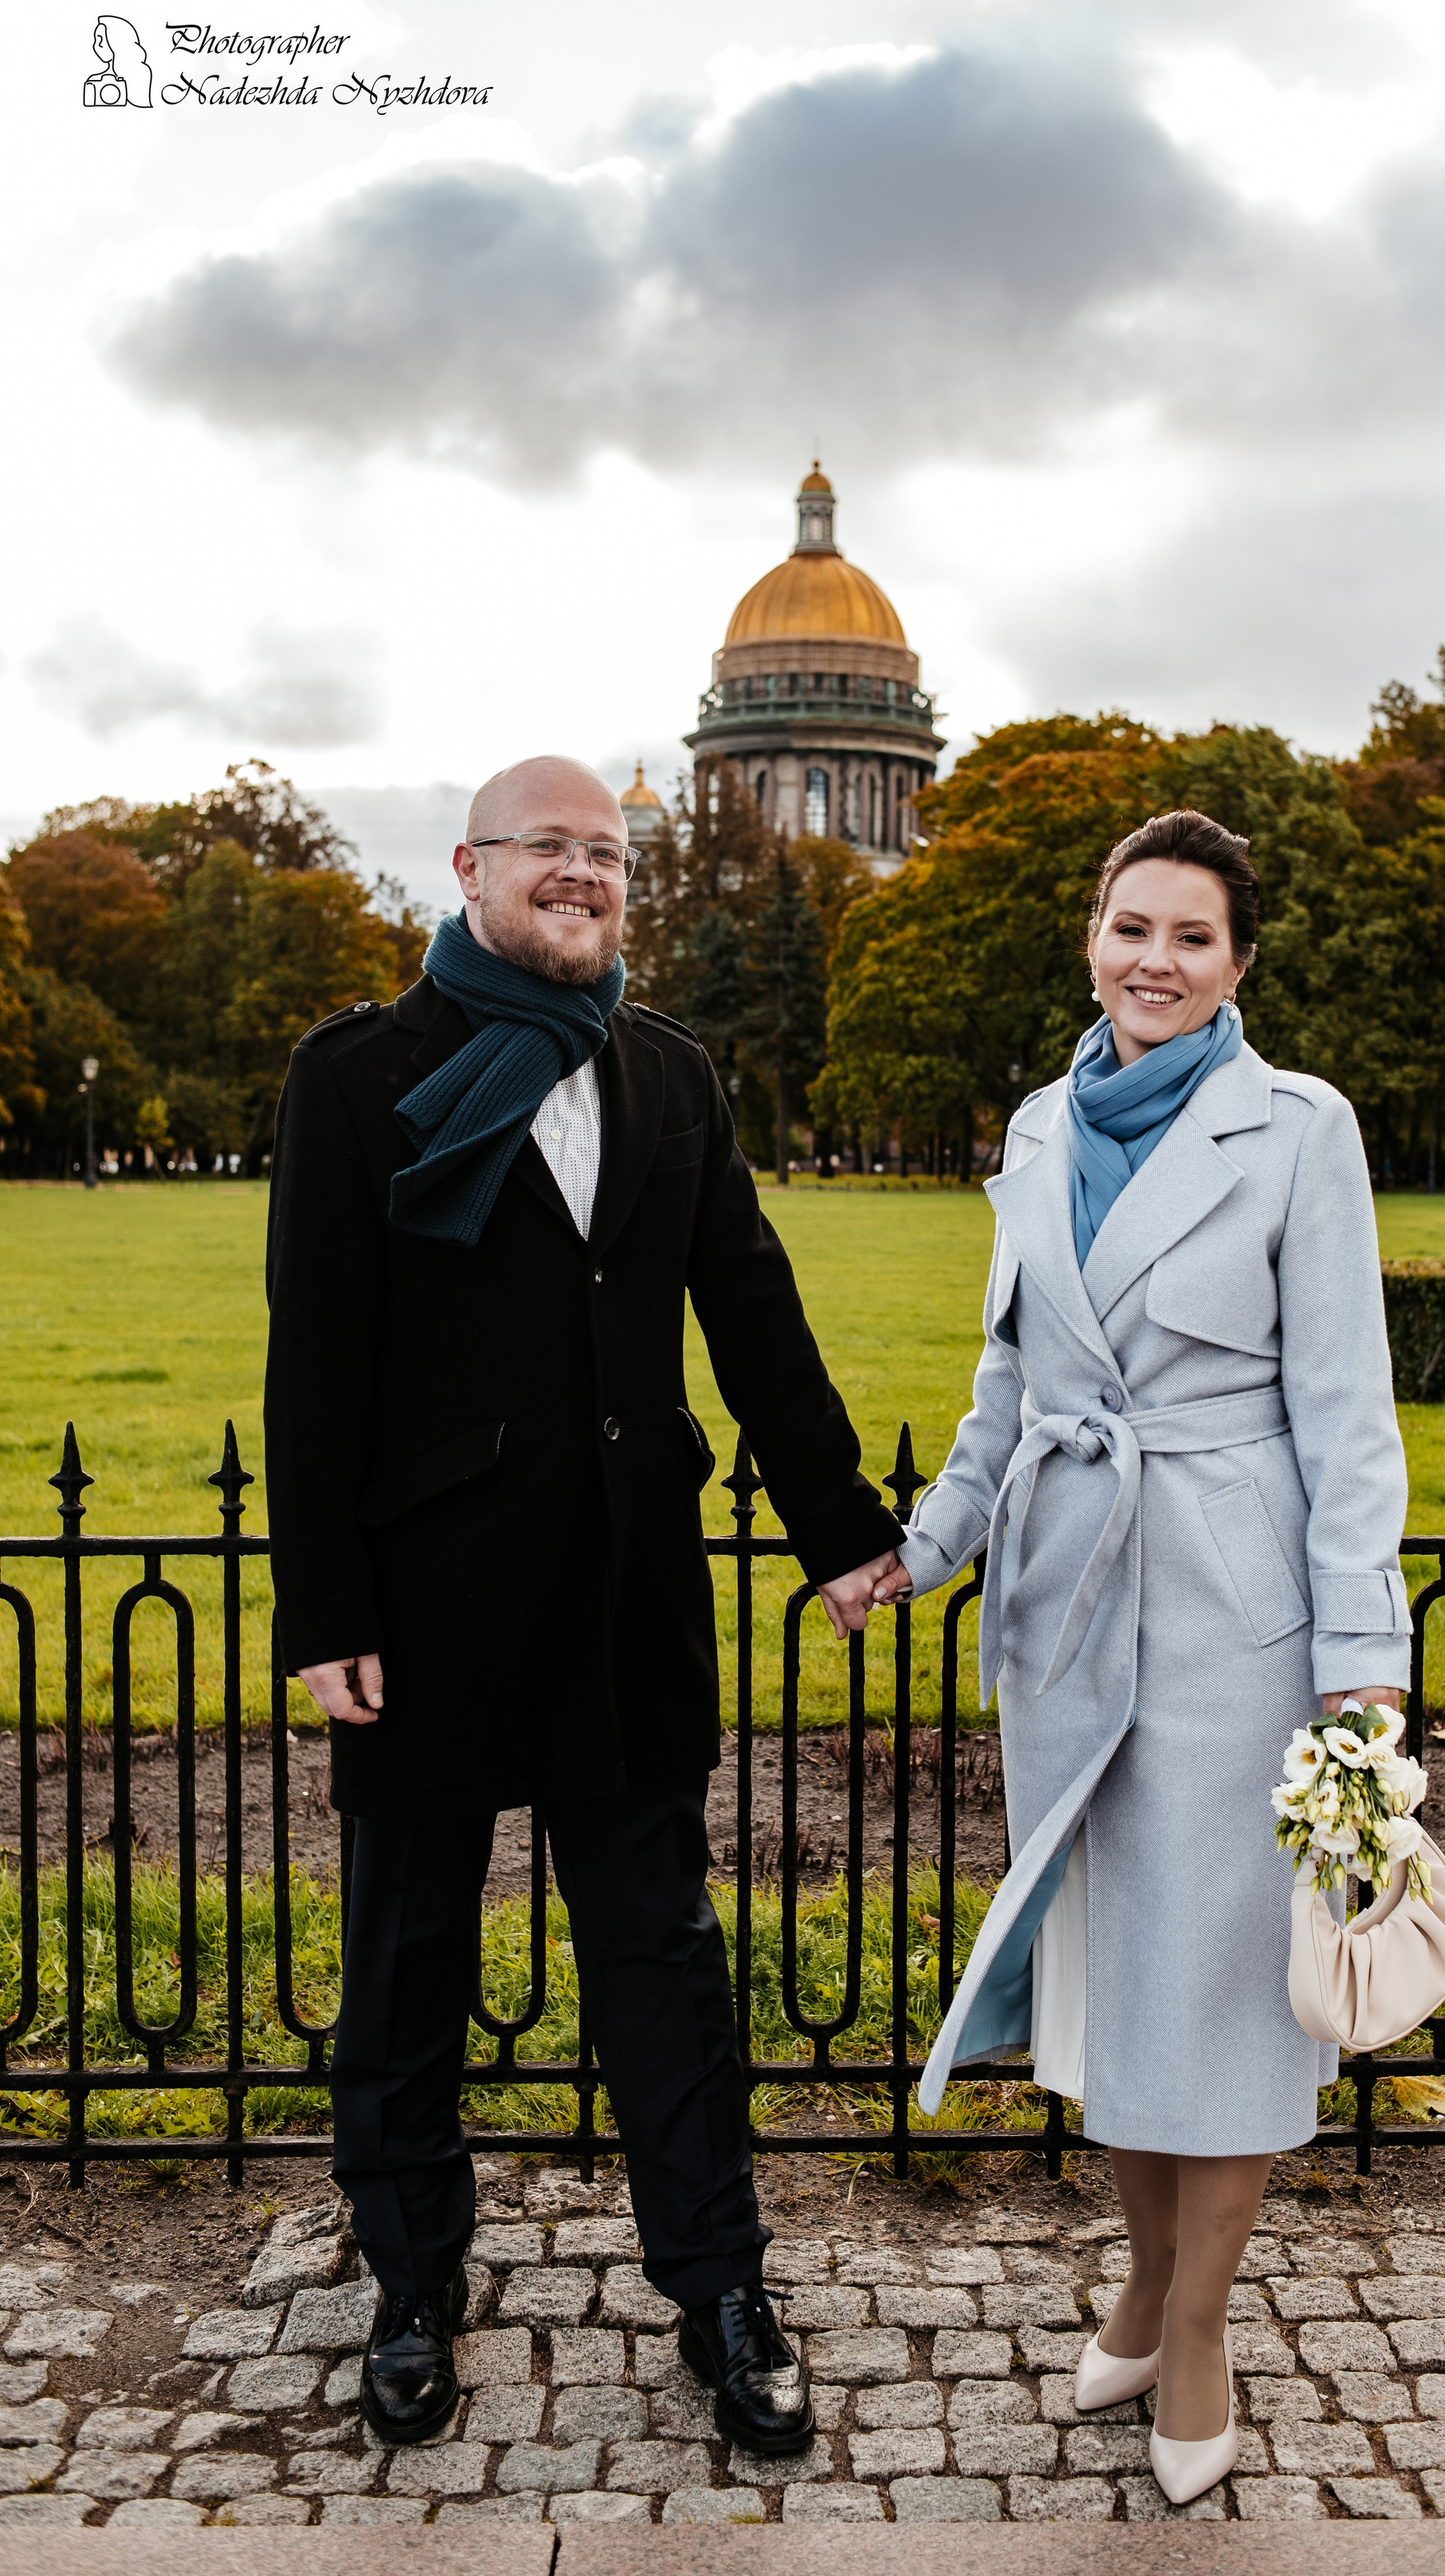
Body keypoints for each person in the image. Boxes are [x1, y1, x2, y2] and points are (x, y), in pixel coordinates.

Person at [263, 755, 904, 2449]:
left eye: (608, 855)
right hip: (426, 1599)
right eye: (551, 847)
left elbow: (750, 1313)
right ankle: (410, 2279)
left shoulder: (670, 1073)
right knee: (406, 1956)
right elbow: (314, 1360)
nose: (584, 873)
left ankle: (719, 2289)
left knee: (661, 1963)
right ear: (471, 866)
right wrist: (322, 1604)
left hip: (626, 1590)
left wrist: (842, 1525)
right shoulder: (357, 1075)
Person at [871, 809, 1410, 2507]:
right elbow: (1009, 1381)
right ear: (1089, 937)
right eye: (1128, 927)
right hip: (1065, 1598)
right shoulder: (1038, 1124)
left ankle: (1195, 2331)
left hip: (1228, 1609)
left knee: (1224, 1987)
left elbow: (1343, 1407)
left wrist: (1358, 1648)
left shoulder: (1297, 1128)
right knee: (1114, 1980)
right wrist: (931, 1540)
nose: (1151, 961)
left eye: (1189, 936)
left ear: (1237, 965)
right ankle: (1136, 2277)